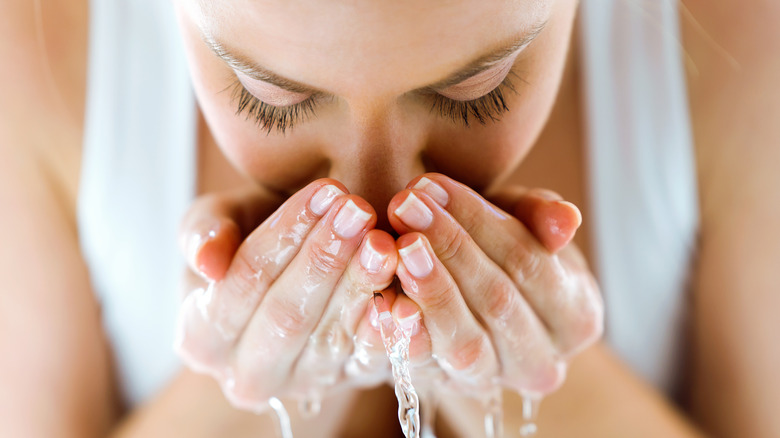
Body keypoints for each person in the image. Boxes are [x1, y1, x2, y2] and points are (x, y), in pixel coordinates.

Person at [1, 0, 778, 436]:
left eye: (480, 90)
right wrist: (248, 388)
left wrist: (514, 372)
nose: (377, 205)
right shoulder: (36, 61)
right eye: (269, 98)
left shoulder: (745, 48)